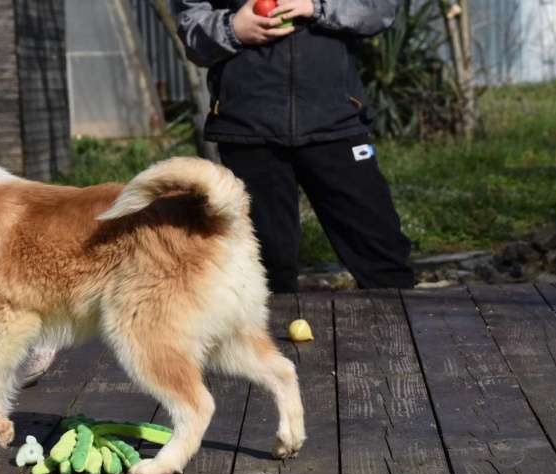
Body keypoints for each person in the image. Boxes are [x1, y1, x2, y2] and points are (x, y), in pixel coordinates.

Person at [173, 0, 415, 292]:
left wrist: (316, 6)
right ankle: (270, 336)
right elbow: (191, 28)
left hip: (336, 121)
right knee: (266, 266)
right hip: (248, 129)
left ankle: (401, 333)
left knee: (382, 254)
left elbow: (380, 9)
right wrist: (233, 28)